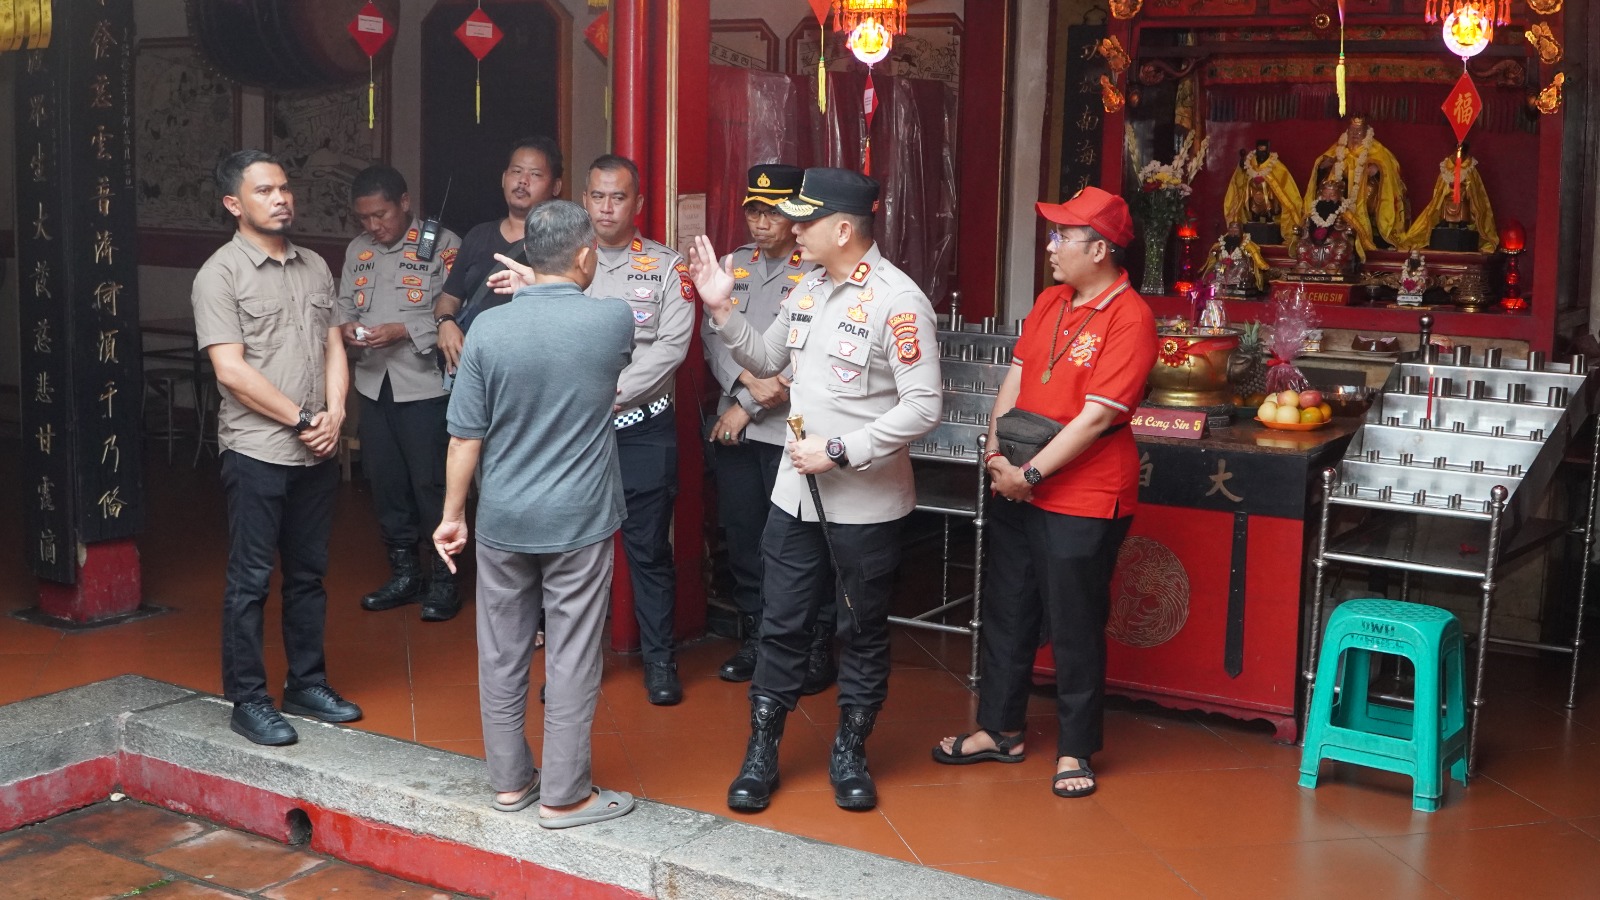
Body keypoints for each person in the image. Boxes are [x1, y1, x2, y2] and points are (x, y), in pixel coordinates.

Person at [688, 167, 942, 812]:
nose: (794, 229)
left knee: (860, 629)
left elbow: (923, 407)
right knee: (782, 623)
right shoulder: (807, 287)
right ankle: (761, 753)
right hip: (795, 497)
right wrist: (720, 307)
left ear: (844, 229)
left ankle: (850, 752)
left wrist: (839, 451)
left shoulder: (898, 300)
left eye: (806, 219)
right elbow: (766, 359)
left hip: (867, 502)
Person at [932, 186, 1156, 800]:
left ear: (1101, 250)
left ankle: (1076, 747)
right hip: (1016, 480)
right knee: (1007, 609)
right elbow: (1015, 378)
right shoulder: (1050, 299)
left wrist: (1029, 475)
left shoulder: (1130, 317)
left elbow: (1096, 418)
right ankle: (999, 729)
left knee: (1075, 622)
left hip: (1084, 494)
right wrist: (996, 455)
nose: (1051, 247)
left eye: (1064, 236)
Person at [433, 199, 637, 829]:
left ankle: (510, 782)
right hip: (579, 519)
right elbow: (585, 329)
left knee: (500, 652)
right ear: (586, 255)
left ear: (526, 256)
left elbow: (464, 438)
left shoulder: (487, 331)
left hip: (503, 517)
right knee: (572, 655)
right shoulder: (612, 321)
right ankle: (565, 795)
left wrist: (452, 516)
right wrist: (543, 286)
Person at [192, 149, 363, 746]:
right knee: (251, 580)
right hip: (257, 449)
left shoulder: (315, 265)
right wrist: (305, 418)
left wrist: (335, 414)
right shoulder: (219, 275)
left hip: (316, 449)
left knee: (309, 574)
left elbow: (334, 345)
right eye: (264, 190)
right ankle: (248, 699)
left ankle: (306, 684)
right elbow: (231, 371)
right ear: (234, 204)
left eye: (284, 187)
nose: (281, 198)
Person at [705, 164, 835, 690]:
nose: (761, 223)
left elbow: (810, 353)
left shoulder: (817, 268)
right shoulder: (734, 264)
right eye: (753, 212)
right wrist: (743, 384)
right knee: (744, 539)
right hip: (737, 431)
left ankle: (814, 643)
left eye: (773, 212)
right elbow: (714, 334)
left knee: (803, 542)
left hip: (790, 432)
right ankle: (757, 639)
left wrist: (747, 404)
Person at [582, 155, 696, 705]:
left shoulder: (668, 269)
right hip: (577, 436)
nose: (607, 207)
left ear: (639, 204)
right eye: (598, 196)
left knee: (648, 551)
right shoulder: (565, 261)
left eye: (619, 197)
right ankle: (575, 666)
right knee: (576, 556)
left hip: (642, 430)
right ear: (585, 200)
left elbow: (670, 349)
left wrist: (610, 393)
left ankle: (659, 662)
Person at [336, 165, 464, 621]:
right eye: (364, 218)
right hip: (374, 384)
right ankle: (405, 574)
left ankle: (445, 579)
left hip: (425, 385)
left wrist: (405, 329)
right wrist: (347, 327)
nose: (374, 225)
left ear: (404, 203)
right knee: (386, 482)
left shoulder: (443, 244)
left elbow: (460, 311)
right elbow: (344, 305)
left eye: (382, 215)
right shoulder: (358, 250)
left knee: (431, 484)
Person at [432, 136, 564, 379]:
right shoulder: (477, 236)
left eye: (535, 174)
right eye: (516, 171)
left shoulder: (563, 242)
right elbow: (449, 297)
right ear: (504, 178)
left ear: (556, 187)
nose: (523, 181)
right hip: (476, 369)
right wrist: (446, 322)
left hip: (534, 371)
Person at [1304, 115, 1407, 251]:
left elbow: (1390, 165)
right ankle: (1328, 226)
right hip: (1342, 184)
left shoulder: (1375, 148)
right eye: (1352, 131)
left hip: (1365, 186)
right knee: (1327, 189)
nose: (1355, 134)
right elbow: (1325, 160)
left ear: (1366, 131)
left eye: (1359, 131)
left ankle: (1366, 231)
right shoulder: (1341, 145)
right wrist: (1324, 165)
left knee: (1370, 192)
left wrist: (1378, 169)